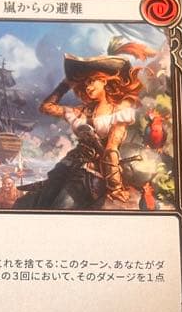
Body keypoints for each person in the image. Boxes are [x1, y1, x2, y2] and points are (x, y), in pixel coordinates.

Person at [15, 54, 142, 210]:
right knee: (39, 203)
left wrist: (115, 186)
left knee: (60, 208)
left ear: (104, 80)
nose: (87, 87)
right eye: (85, 83)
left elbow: (111, 149)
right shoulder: (81, 111)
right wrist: (65, 85)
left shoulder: (119, 111)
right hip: (66, 167)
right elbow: (46, 107)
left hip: (91, 174)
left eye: (92, 81)